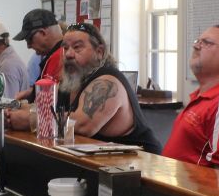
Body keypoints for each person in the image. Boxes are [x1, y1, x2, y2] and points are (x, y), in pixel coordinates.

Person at [10, 21, 161, 152]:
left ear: (99, 52)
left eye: (77, 47)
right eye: (65, 48)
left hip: (140, 164)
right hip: (103, 162)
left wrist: (31, 119)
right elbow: (49, 110)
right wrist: (13, 111)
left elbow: (83, 125)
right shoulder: (70, 82)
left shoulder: (107, 81)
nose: (68, 54)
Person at [162, 25, 219, 174]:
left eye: (207, 43)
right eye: (198, 41)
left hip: (192, 190)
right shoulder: (202, 96)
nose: (196, 46)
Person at [13, 9, 64, 101]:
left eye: (29, 39)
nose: (28, 46)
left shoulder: (62, 57)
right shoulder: (53, 56)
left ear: (43, 33)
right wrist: (31, 92)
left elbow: (54, 103)